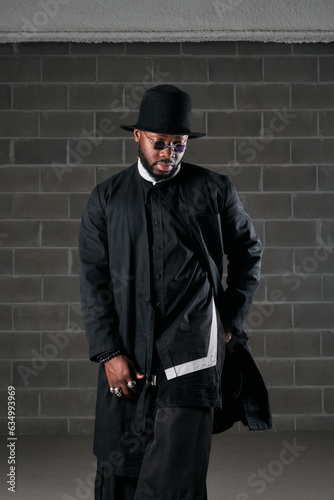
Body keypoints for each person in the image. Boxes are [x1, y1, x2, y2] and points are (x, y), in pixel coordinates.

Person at [79, 84, 272, 500]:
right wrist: (109, 354)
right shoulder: (107, 199)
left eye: (178, 145)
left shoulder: (213, 190)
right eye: (159, 143)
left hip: (192, 359)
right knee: (118, 474)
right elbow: (93, 283)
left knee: (174, 482)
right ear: (138, 137)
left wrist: (228, 320)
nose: (169, 153)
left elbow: (248, 253)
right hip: (128, 354)